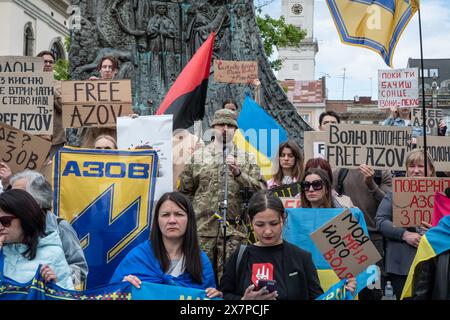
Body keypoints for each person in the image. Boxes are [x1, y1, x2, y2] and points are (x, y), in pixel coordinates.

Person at [219, 190, 356, 300]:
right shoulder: (240, 257)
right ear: (250, 221)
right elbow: (224, 295)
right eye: (260, 225)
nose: (268, 231)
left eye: (274, 223)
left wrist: (342, 293)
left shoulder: (302, 258)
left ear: (283, 219)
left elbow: (318, 297)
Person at [178, 109, 265, 280]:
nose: (225, 129)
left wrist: (240, 175)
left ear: (236, 130)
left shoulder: (247, 159)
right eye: (220, 125)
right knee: (200, 277)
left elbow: (260, 192)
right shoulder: (197, 157)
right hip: (203, 230)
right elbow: (185, 193)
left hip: (234, 232)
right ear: (212, 127)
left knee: (233, 279)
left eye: (230, 125)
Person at [110, 192, 221, 298]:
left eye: (179, 214)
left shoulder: (201, 262)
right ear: (157, 221)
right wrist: (122, 288)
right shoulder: (139, 257)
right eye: (165, 215)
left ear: (189, 220)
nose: (172, 220)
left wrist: (214, 297)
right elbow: (111, 294)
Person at [9, 170, 88, 287]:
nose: (12, 199)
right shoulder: (8, 225)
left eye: (19, 195)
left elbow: (81, 270)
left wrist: (57, 281)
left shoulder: (60, 227)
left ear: (38, 200)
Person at [375, 149, 436, 299]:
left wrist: (435, 230)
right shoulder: (395, 192)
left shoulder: (441, 193)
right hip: (402, 265)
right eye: (411, 166)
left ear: (431, 169)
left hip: (434, 262)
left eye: (421, 166)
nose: (416, 171)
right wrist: (405, 234)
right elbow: (381, 221)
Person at [332, 163, 392, 300]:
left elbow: (389, 205)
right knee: (351, 285)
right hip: (347, 238)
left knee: (373, 289)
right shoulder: (340, 173)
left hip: (373, 239)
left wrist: (371, 184)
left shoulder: (381, 173)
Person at [0, 189, 74, 289]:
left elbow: (67, 295)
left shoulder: (52, 253)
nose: (0, 227)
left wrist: (54, 288)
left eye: (5, 221)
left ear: (25, 218)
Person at [80, 56, 119, 148]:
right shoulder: (91, 86)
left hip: (113, 136)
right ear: (100, 70)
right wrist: (90, 87)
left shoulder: (121, 90)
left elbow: (125, 112)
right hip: (93, 135)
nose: (107, 70)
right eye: (104, 67)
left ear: (115, 71)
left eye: (110, 67)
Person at [36, 50, 66, 158]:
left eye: (51, 62)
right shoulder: (29, 83)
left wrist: (50, 86)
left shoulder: (60, 85)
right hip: (33, 137)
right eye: (45, 62)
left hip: (56, 139)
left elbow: (64, 107)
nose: (48, 64)